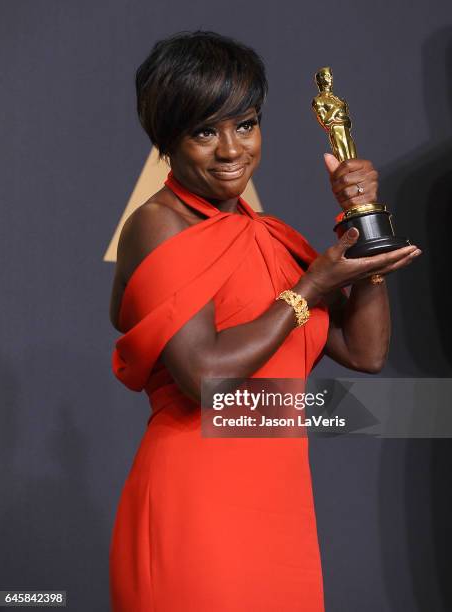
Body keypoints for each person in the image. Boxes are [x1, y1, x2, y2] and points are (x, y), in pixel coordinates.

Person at [108, 30, 421, 612]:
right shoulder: (159, 224)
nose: (232, 150)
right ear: (166, 139)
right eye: (205, 131)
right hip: (196, 503)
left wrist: (363, 240)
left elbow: (365, 351)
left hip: (276, 501)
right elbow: (203, 378)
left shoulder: (267, 235)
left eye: (245, 124)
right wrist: (311, 287)